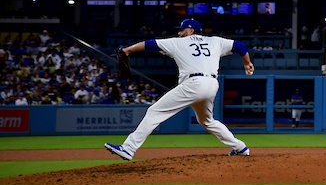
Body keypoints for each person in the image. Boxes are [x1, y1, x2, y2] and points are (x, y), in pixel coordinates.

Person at [103, 18, 255, 161]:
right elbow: (240, 47)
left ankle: (128, 148)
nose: (179, 33)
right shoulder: (216, 41)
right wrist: (247, 63)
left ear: (190, 30)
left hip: (193, 83)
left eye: (182, 30)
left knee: (155, 111)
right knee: (207, 121)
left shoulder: (177, 43)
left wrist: (128, 51)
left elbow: (149, 44)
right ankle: (240, 147)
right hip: (211, 84)